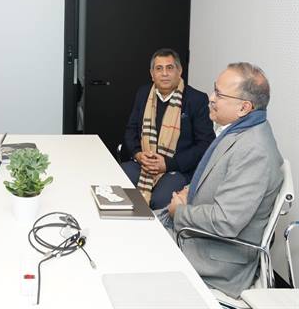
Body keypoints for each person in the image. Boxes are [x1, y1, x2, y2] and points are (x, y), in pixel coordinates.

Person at [160, 62, 283, 298]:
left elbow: (226, 221)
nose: (211, 98)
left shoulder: (254, 151)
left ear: (244, 107)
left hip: (215, 258)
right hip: (199, 236)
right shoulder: (240, 130)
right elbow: (217, 176)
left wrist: (180, 211)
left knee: (135, 251)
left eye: (219, 93)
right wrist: (189, 190)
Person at [121, 48, 215, 209]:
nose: (164, 73)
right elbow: (131, 130)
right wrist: (138, 154)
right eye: (159, 68)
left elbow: (205, 144)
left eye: (170, 68)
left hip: (178, 168)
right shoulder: (143, 93)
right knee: (117, 183)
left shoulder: (196, 99)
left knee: (160, 201)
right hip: (143, 164)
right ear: (152, 74)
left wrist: (168, 164)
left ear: (179, 71)